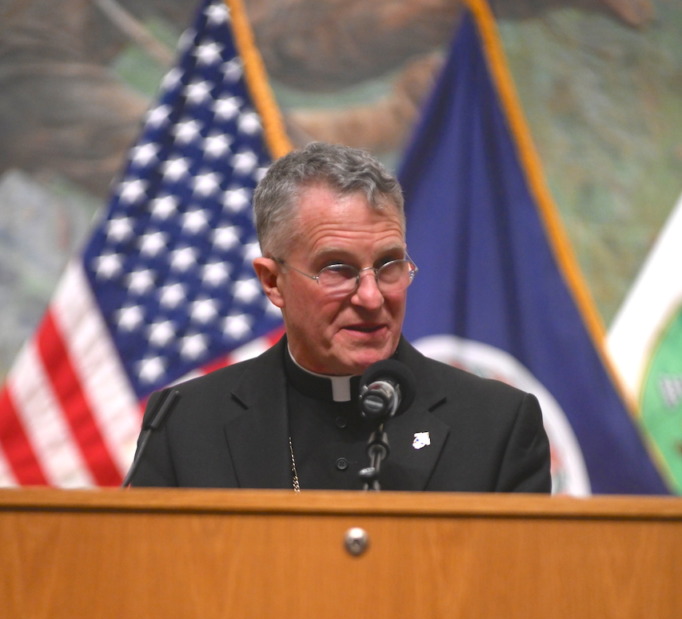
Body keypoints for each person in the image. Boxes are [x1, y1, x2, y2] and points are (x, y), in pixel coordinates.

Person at [129, 142, 551, 492]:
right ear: (273, 282)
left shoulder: (496, 425)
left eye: (389, 264)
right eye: (337, 269)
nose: (371, 297)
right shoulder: (187, 424)